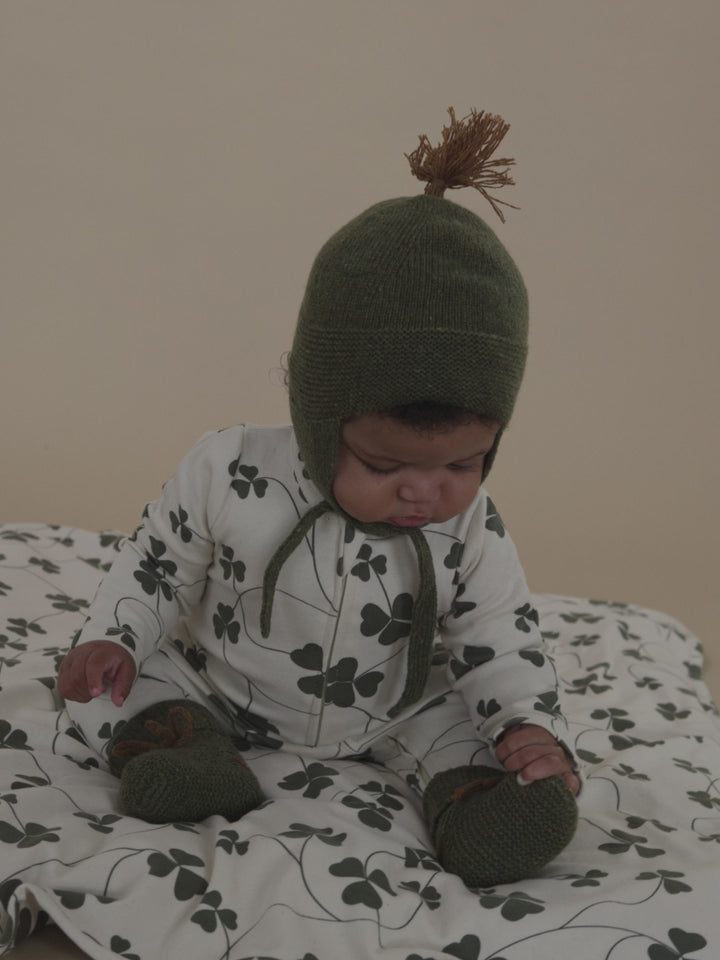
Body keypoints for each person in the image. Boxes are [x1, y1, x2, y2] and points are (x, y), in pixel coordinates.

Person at [58, 108, 580, 889]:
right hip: (221, 685)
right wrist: (116, 639)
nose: (424, 493)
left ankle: (475, 807)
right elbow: (157, 568)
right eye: (381, 462)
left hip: (395, 706)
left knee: (468, 724)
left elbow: (500, 634)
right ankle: (189, 746)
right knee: (99, 697)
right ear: (314, 413)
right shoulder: (230, 469)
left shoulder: (468, 522)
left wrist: (530, 725)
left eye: (464, 464)